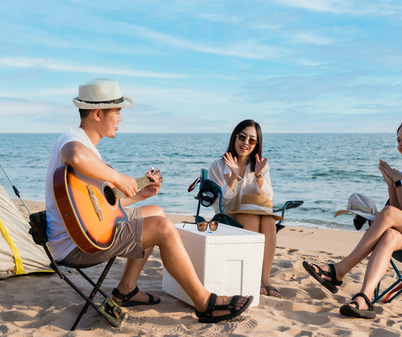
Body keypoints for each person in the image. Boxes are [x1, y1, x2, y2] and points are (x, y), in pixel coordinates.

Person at [45, 78, 252, 323]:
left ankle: (126, 289)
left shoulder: (87, 146)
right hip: (78, 243)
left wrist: (139, 194)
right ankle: (205, 302)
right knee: (163, 229)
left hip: (82, 230)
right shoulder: (75, 141)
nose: (120, 118)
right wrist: (118, 177)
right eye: (117, 112)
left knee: (156, 212)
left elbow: (98, 210)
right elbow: (75, 155)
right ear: (98, 114)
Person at [302, 119, 402, 319]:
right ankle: (365, 298)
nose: (401, 142)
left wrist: (398, 181)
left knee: (389, 217)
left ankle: (339, 270)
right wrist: (392, 185)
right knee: (390, 235)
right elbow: (395, 211)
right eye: (398, 139)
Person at [207, 119, 283, 298]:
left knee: (269, 220)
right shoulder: (218, 165)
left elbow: (267, 198)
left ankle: (265, 279)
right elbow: (220, 205)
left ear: (257, 144)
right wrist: (233, 177)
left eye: (252, 140)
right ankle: (252, 278)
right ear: (235, 137)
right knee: (252, 217)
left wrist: (258, 176)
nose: (246, 143)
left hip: (255, 214)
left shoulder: (259, 165)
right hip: (227, 217)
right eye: (242, 137)